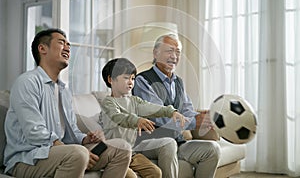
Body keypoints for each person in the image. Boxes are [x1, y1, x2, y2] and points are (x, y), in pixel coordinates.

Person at [3, 28, 131, 178]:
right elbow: (34, 131)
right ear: (42, 48)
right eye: (62, 43)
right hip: (27, 158)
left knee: (122, 148)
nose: (68, 48)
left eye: (69, 45)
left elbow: (71, 133)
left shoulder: (64, 91)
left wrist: (85, 139)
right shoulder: (27, 82)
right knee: (78, 154)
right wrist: (73, 150)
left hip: (61, 153)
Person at [133, 34, 221, 178]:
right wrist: (194, 122)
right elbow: (158, 115)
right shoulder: (142, 80)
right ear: (156, 53)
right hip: (149, 143)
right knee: (169, 144)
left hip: (177, 142)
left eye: (178, 52)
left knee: (212, 149)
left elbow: (187, 110)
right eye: (169, 51)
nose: (174, 56)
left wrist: (203, 117)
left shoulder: (178, 82)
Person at [100, 58, 187, 178]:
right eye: (126, 78)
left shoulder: (134, 101)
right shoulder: (108, 103)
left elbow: (151, 107)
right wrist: (137, 120)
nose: (130, 82)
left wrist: (171, 111)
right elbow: (118, 117)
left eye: (132, 78)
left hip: (132, 152)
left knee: (156, 173)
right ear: (111, 79)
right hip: (115, 154)